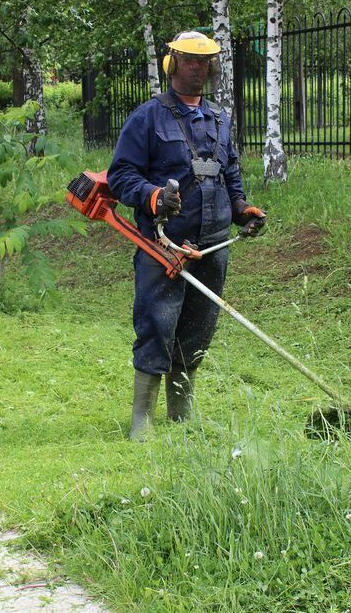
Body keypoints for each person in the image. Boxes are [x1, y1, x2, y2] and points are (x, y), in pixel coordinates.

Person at [107, 31, 266, 441]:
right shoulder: (147, 117)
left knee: (199, 327)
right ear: (172, 63)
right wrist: (154, 196)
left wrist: (241, 209)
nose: (199, 67)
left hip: (213, 244)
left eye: (206, 61)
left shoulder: (219, 118)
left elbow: (229, 172)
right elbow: (121, 176)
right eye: (190, 60)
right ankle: (142, 418)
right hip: (165, 245)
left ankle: (181, 412)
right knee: (157, 324)